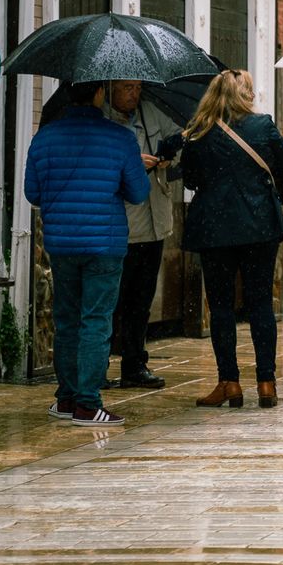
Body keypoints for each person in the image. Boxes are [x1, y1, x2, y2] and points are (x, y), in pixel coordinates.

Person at [24, 81, 149, 427]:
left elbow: (33, 192)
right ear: (99, 94)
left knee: (66, 320)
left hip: (61, 243)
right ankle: (88, 404)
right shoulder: (120, 138)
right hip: (104, 245)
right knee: (95, 320)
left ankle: (66, 398)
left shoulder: (44, 138)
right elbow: (138, 193)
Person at [180, 69, 283, 409]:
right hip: (259, 227)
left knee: (220, 307)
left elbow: (189, 179)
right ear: (245, 94)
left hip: (214, 231)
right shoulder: (263, 126)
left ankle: (229, 383)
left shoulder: (198, 132)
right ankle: (266, 382)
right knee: (260, 304)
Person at [103, 79, 182, 391]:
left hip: (155, 222)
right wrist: (133, 164)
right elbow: (101, 165)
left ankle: (135, 364)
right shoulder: (102, 121)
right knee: (113, 301)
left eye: (137, 87)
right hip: (122, 226)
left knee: (141, 301)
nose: (133, 94)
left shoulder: (150, 112)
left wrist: (169, 156)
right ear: (110, 88)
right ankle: (99, 366)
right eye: (127, 88)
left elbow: (179, 137)